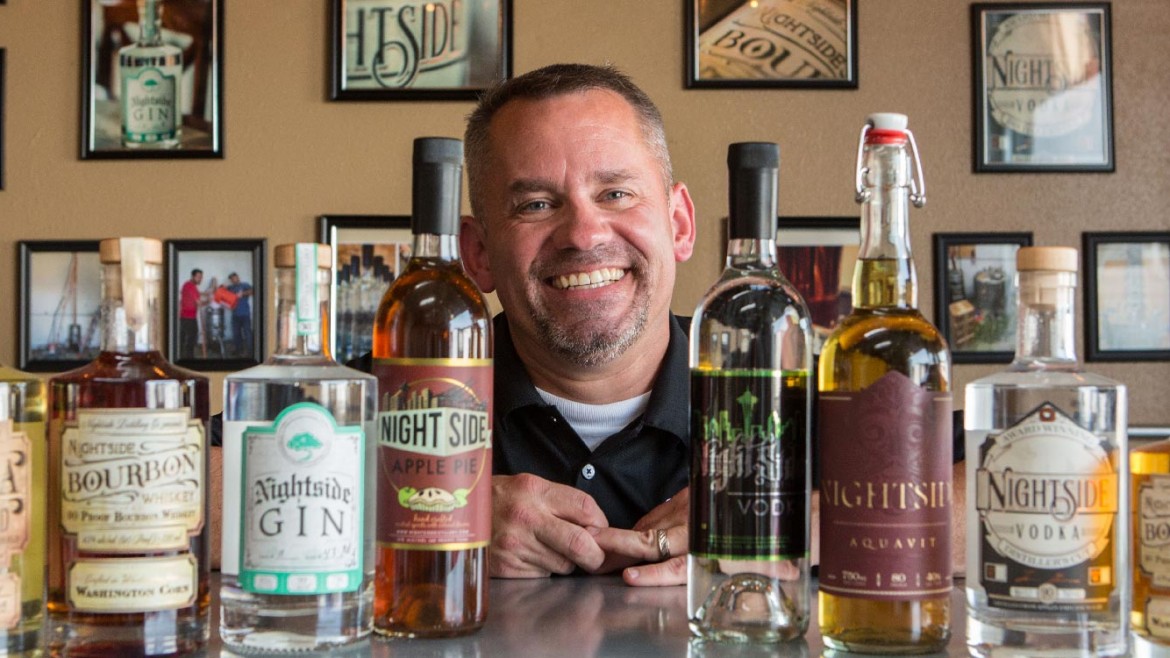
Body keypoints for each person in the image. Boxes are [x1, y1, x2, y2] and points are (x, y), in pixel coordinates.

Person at [458, 63, 695, 586]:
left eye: (616, 194)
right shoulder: (407, 388)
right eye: (537, 205)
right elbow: (230, 472)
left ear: (678, 224)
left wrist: (781, 515)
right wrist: (450, 512)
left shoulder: (784, 385)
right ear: (479, 255)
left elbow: (918, 488)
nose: (584, 236)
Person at [225, 272, 253, 357]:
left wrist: (242, 294)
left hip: (245, 314)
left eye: (235, 278)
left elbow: (252, 291)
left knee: (247, 333)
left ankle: (250, 352)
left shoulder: (244, 285)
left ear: (238, 277)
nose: (234, 279)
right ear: (231, 280)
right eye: (232, 279)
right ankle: (238, 350)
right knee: (236, 334)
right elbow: (222, 291)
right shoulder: (231, 287)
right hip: (235, 315)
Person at [179, 268, 203, 359]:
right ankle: (189, 359)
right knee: (191, 338)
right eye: (198, 277)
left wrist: (206, 294)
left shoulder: (189, 285)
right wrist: (209, 301)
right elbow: (199, 302)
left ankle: (184, 357)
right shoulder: (190, 286)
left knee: (186, 338)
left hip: (186, 316)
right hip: (188, 317)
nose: (200, 279)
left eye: (201, 277)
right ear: (193, 276)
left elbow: (196, 295)